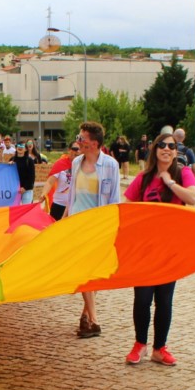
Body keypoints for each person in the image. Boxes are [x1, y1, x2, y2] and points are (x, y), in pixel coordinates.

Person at [123, 132, 195, 365]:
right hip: (146, 249)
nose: (167, 149)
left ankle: (160, 347)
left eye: (172, 146)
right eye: (162, 145)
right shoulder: (144, 178)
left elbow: (194, 198)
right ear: (155, 150)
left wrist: (170, 182)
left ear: (176, 151)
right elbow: (127, 208)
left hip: (170, 249)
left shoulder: (183, 173)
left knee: (164, 300)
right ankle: (140, 344)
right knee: (142, 298)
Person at [68, 121, 121, 338]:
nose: (78, 142)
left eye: (83, 139)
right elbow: (72, 194)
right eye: (79, 138)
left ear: (95, 143)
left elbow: (115, 199)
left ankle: (86, 316)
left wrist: (113, 226)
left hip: (98, 225)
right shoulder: (76, 163)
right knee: (82, 271)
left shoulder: (110, 165)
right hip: (77, 224)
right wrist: (65, 219)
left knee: (93, 272)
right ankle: (94, 320)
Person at [47, 141, 79, 221]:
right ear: (69, 150)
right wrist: (43, 194)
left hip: (76, 206)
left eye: (79, 149)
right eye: (74, 148)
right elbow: (50, 182)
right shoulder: (60, 164)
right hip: (59, 204)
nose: (76, 151)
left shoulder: (85, 165)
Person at [11, 139, 43, 204]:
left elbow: (32, 177)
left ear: (25, 149)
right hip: (15, 190)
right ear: (16, 147)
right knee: (15, 210)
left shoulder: (29, 161)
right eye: (18, 146)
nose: (20, 147)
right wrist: (8, 165)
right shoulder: (12, 160)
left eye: (22, 146)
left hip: (27, 190)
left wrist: (25, 188)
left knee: (26, 210)